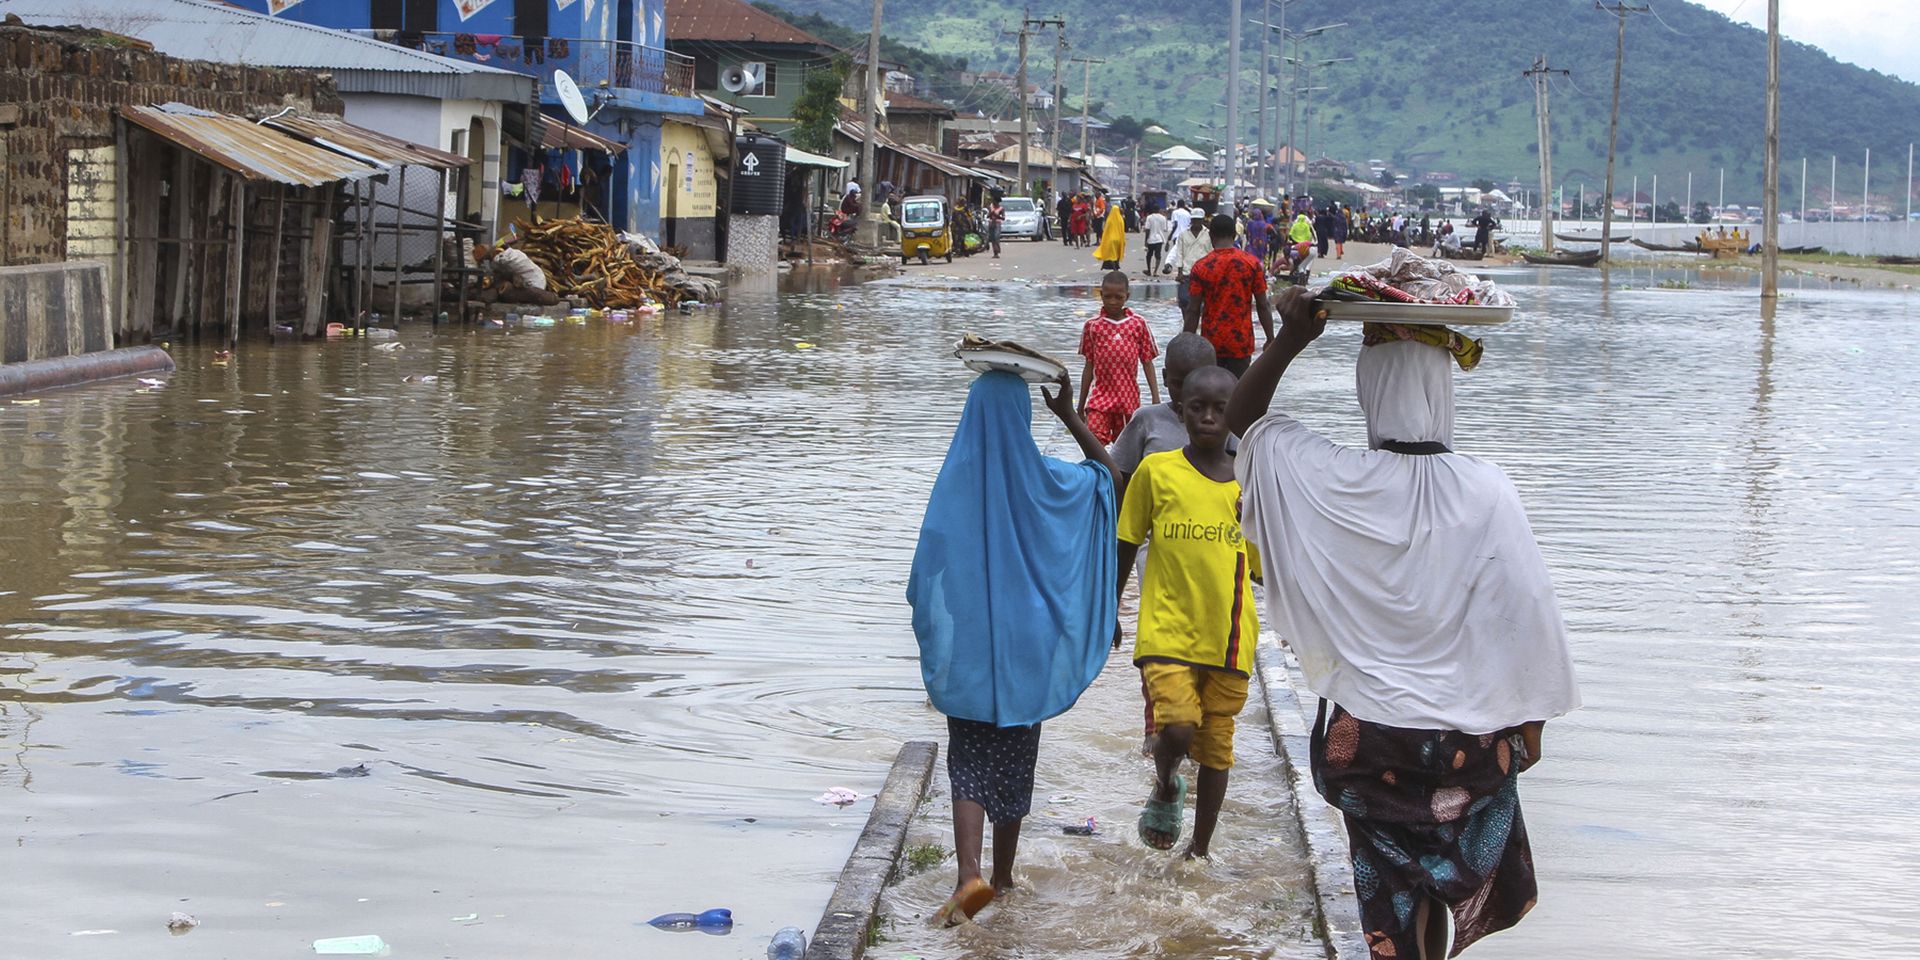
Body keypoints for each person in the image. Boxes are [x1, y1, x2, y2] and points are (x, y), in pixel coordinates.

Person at [1227, 289, 1580, 960]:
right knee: (1437, 891)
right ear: (1443, 390)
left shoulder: (1330, 477)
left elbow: (1241, 429)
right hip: (1467, 742)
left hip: (1368, 742)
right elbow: (1525, 611)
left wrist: (1290, 341)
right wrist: (1530, 722)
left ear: (1368, 391)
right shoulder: (1487, 489)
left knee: (1391, 898)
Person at [910, 368, 1120, 927]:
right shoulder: (1048, 480)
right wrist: (1071, 415)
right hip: (1031, 651)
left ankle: (967, 877)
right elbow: (1108, 478)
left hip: (973, 654)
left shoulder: (957, 480)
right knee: (1015, 761)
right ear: (1025, 419)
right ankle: (1002, 878)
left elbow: (930, 564)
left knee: (968, 765)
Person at [1116, 365, 1261, 859]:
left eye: (1221, 409)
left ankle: (1199, 849)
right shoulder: (1158, 472)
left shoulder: (1250, 484)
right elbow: (1126, 541)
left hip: (1229, 637)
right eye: (1197, 407)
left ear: (1236, 417)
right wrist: (1109, 608)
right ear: (1179, 410)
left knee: (1217, 746)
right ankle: (1165, 781)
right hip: (1167, 631)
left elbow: (1267, 567)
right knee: (1177, 727)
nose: (1207, 417)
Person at [1108, 333, 1236, 755]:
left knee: (1204, 639)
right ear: (1166, 381)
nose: (1191, 399)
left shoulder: (1227, 425)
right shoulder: (1148, 421)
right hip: (1156, 548)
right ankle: (1158, 729)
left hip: (1211, 554)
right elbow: (1119, 475)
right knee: (1162, 638)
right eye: (1181, 385)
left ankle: (1193, 727)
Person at [1182, 214, 1274, 377]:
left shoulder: (1201, 267)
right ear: (1234, 235)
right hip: (1241, 342)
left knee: (1212, 395)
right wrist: (1270, 338)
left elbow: (1193, 310)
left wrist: (1186, 343)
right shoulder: (1251, 264)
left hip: (1211, 344)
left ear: (1211, 236)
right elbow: (1263, 304)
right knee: (1237, 395)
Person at [1076, 271, 1161, 445]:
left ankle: (1119, 473)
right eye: (1107, 297)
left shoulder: (1138, 324)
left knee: (1126, 449)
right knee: (1093, 443)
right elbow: (1089, 366)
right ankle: (1100, 472)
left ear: (1127, 297)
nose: (1112, 302)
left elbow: (1147, 362)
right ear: (1101, 295)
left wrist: (1155, 398)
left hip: (1128, 400)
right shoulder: (1093, 326)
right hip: (1099, 399)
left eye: (1118, 297)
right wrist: (1081, 403)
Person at [472, 242, 558, 305]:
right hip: (535, 283)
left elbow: (501, 262)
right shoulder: (513, 257)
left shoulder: (508, 258)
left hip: (534, 284)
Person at [1168, 209, 1213, 314]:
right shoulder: (1183, 235)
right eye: (1194, 220)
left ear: (1202, 220)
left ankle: (1197, 324)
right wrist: (1179, 272)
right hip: (1187, 272)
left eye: (1198, 220)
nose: (1196, 222)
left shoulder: (1208, 234)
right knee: (1184, 300)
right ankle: (1186, 323)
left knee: (1202, 302)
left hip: (1204, 273)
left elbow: (1211, 253)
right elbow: (1180, 253)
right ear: (1191, 220)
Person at [1094, 204, 1128, 271]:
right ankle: (1116, 266)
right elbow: (1122, 231)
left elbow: (1106, 231)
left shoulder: (1109, 220)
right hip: (1118, 240)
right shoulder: (1120, 220)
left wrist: (1103, 240)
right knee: (1117, 254)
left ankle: (1114, 268)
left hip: (1111, 240)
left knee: (1111, 255)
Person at [1142, 205, 1172, 276]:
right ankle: (1155, 271)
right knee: (1158, 255)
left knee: (1149, 255)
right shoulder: (1163, 218)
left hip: (1151, 239)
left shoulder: (1149, 217)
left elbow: (1147, 230)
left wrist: (1146, 241)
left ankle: (1149, 270)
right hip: (1159, 239)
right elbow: (1165, 229)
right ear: (1159, 210)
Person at [985, 194, 1006, 259]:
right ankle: (995, 252)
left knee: (996, 237)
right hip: (991, 223)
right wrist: (991, 213)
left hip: (997, 224)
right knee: (992, 238)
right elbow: (988, 216)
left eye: (995, 202)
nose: (994, 203)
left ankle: (997, 251)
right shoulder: (990, 207)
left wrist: (997, 216)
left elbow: (1003, 218)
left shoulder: (1001, 209)